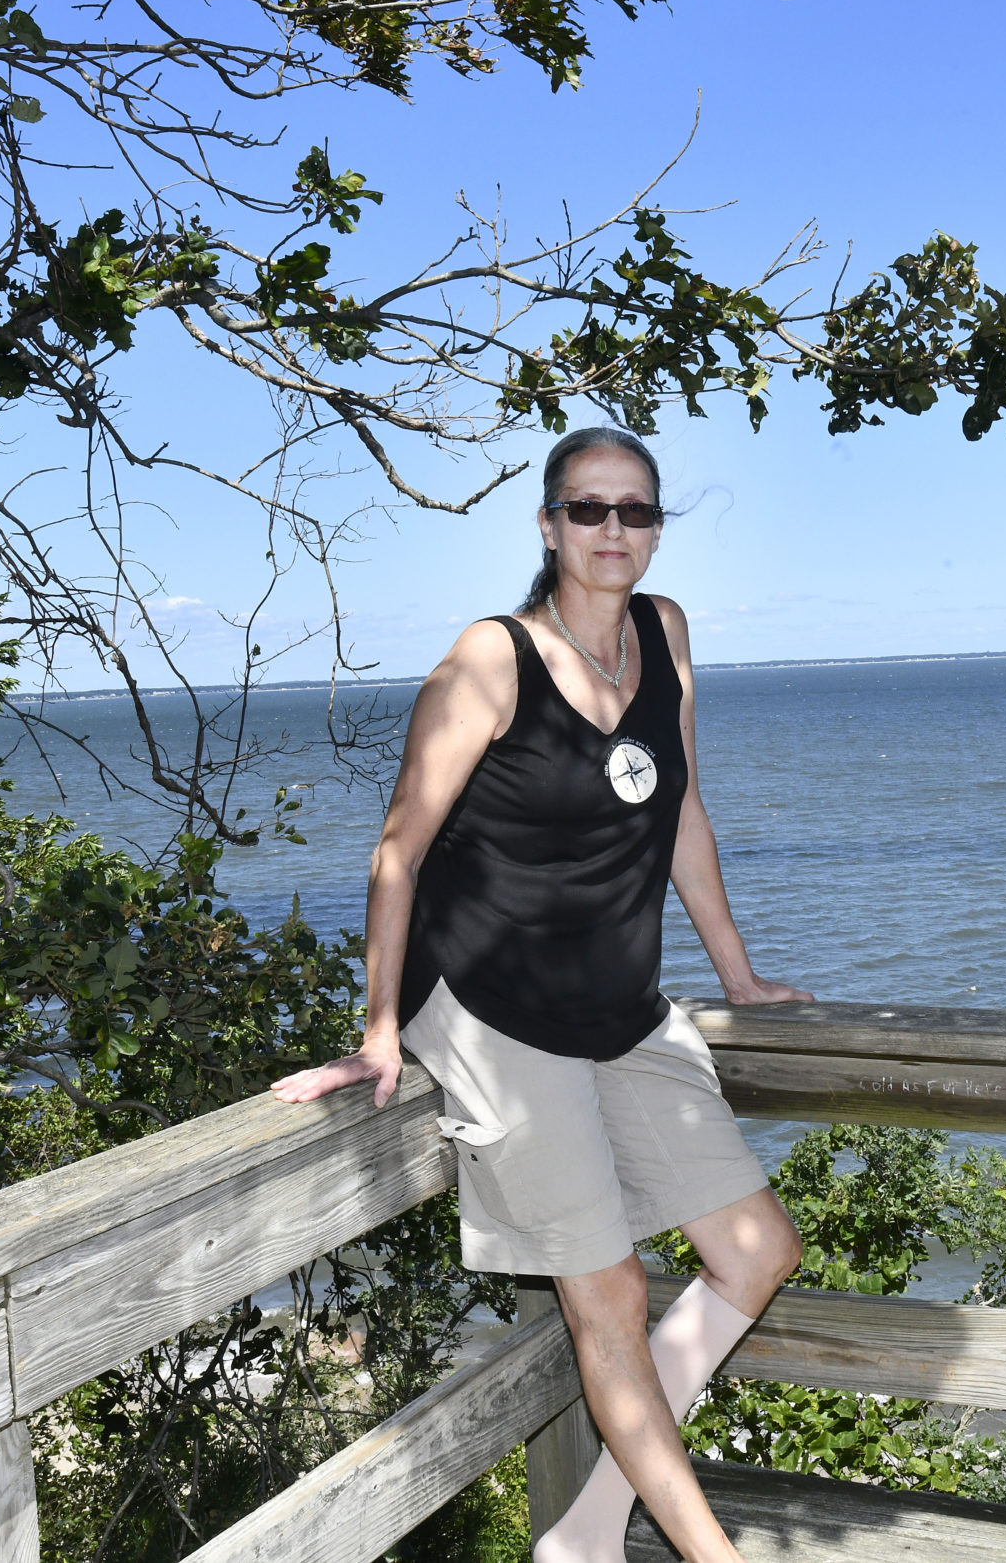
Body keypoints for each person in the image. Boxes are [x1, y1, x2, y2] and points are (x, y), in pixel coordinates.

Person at [272, 426, 809, 1563]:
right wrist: (378, 1031)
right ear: (548, 525)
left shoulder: (663, 635)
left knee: (758, 1249)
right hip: (488, 1002)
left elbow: (683, 814)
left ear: (656, 528)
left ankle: (583, 1534)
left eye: (636, 512)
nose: (613, 532)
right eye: (589, 511)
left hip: (618, 1001)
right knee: (606, 1299)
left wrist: (736, 973)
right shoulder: (490, 660)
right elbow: (395, 855)